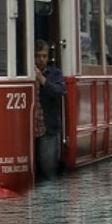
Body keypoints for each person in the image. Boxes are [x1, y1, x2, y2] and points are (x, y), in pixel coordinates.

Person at [34, 39, 66, 179]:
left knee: (48, 169)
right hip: (29, 127)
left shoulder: (55, 73)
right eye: (38, 56)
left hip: (48, 127)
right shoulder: (24, 72)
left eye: (44, 56)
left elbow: (60, 91)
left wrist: (42, 80)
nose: (41, 59)